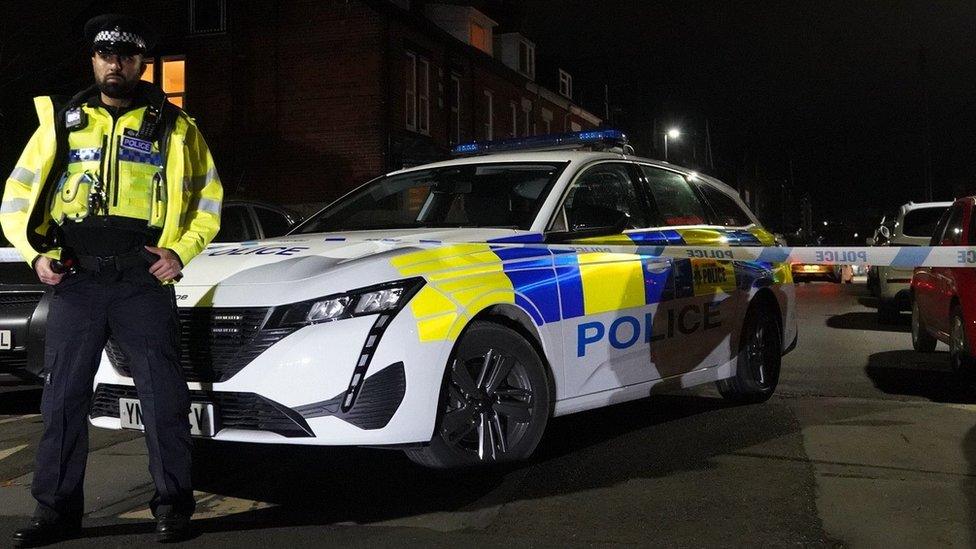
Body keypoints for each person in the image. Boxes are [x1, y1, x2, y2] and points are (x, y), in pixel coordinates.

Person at [0, 13, 222, 546]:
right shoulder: (61, 121)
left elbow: (207, 202)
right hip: (75, 276)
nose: (114, 64)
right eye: (105, 55)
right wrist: (34, 253)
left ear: (142, 63)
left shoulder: (176, 126)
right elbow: (17, 195)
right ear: (94, 60)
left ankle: (173, 507)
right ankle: (55, 513)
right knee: (62, 399)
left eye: (126, 55)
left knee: (162, 397)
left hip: (140, 278)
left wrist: (181, 251)